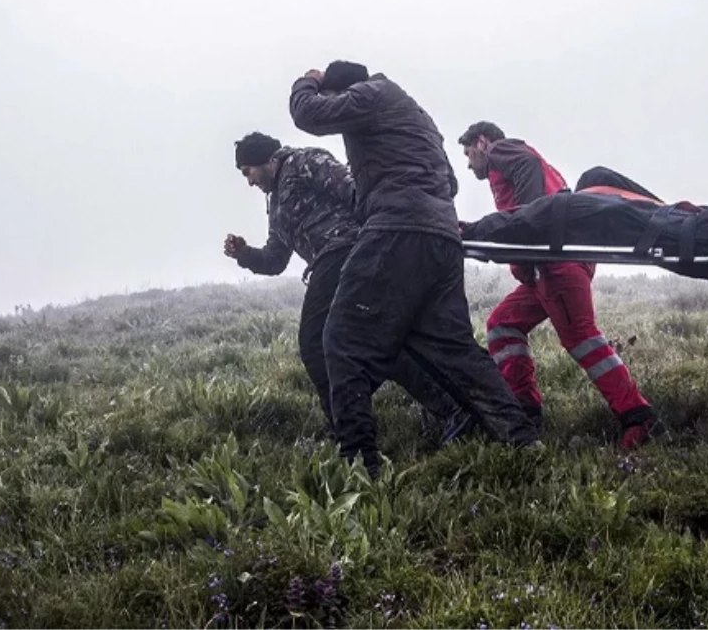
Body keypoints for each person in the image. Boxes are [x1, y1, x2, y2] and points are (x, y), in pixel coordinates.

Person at [288, 61, 541, 478]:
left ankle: (358, 465)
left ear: (344, 90)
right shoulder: (416, 116)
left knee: (340, 340)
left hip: (396, 231)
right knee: (454, 349)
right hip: (439, 237)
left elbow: (308, 115)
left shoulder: (370, 94)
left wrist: (308, 82)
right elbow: (451, 183)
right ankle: (522, 440)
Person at [226, 132, 474, 444]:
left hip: (349, 250)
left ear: (266, 160)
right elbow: (276, 259)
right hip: (329, 261)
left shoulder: (305, 161)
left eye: (248, 172)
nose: (249, 182)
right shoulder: (275, 203)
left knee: (315, 341)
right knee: (379, 343)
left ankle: (347, 433)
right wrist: (245, 254)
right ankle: (453, 409)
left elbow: (356, 192)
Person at [456, 121, 667, 449]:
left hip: (557, 263)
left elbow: (530, 207)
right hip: (548, 265)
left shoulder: (503, 151)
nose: (469, 164)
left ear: (482, 142)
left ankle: (639, 417)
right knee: (502, 324)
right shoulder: (526, 167)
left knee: (581, 337)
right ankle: (525, 409)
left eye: (469, 153)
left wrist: (526, 218)